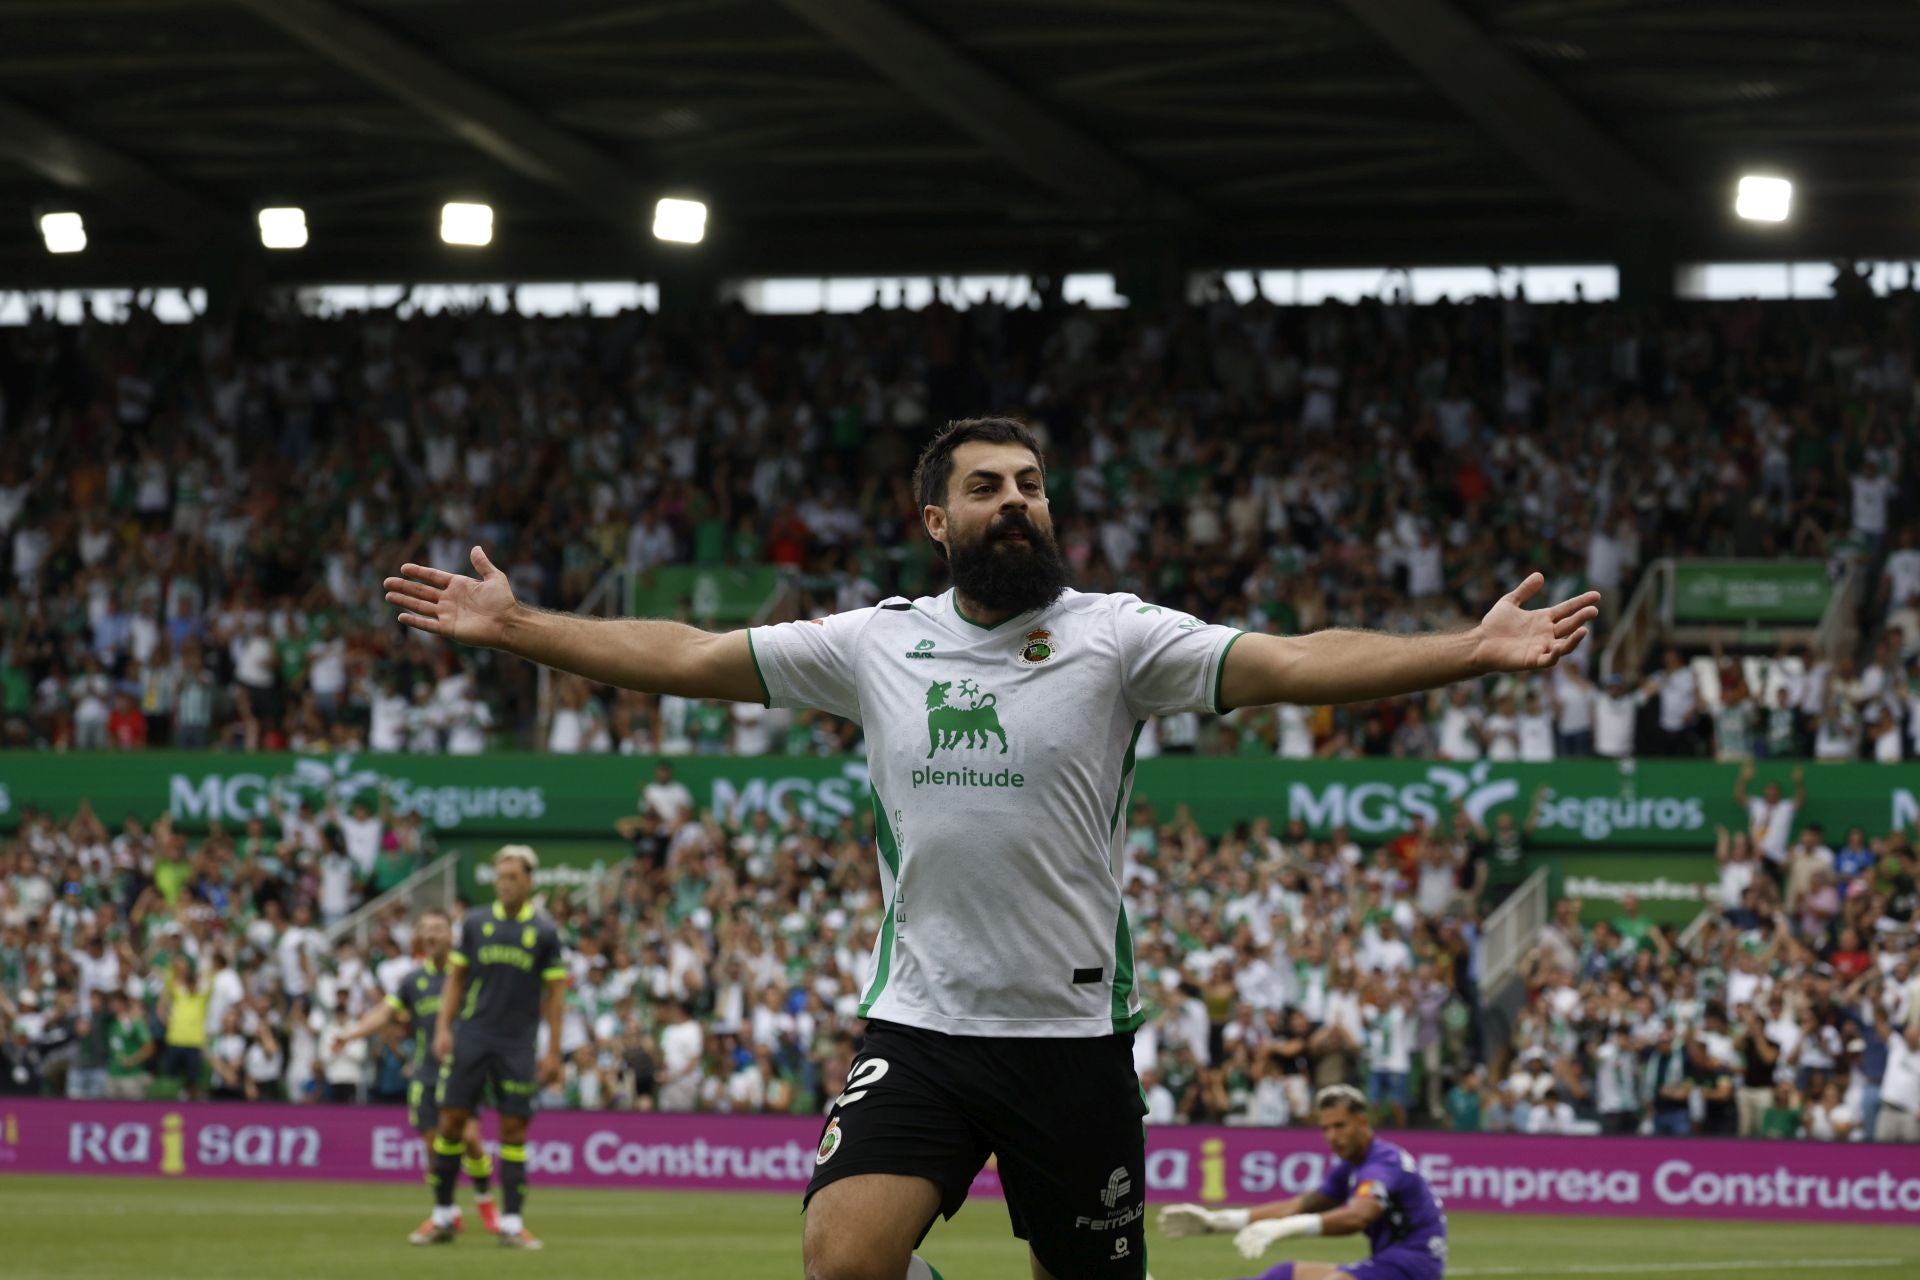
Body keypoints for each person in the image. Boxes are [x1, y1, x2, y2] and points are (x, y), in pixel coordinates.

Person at [385, 416, 1596, 1280]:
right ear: (936, 516)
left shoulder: (1119, 637)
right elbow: (693, 656)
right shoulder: (876, 641)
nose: (1016, 499)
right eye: (986, 485)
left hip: (1070, 1042)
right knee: (841, 1255)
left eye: (1030, 482)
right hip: (922, 1026)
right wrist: (523, 627)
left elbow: (1296, 659)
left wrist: (1466, 647)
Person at [422, 846, 565, 1250]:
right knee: (450, 1123)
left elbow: (555, 995)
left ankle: (512, 1222)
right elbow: (456, 979)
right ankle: (443, 1214)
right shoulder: (475, 923)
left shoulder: (545, 932)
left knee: (514, 1130)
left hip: (517, 1043)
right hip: (473, 1037)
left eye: (513, 876)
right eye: (500, 876)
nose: (505, 883)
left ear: (529, 880)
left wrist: (553, 1052)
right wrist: (443, 1028)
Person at [1157, 1084, 1449, 1280]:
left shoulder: (1382, 1162)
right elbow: (1300, 1205)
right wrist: (1218, 1222)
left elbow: (1359, 1216)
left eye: (1340, 1126)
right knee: (1283, 1275)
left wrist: (1285, 1229)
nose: (1333, 1136)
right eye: (1325, 1128)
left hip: (1414, 1265)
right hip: (1390, 1263)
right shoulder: (1350, 1167)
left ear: (1363, 1123)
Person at [330, 908, 501, 1240]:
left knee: (469, 1139)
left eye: (439, 928)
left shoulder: (467, 975)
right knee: (433, 1148)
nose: (433, 935)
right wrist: (350, 1034)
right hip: (425, 1074)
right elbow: (384, 1014)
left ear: (451, 936)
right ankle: (446, 1214)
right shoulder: (412, 981)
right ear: (421, 938)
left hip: (462, 1073)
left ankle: (484, 1201)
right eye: (427, 929)